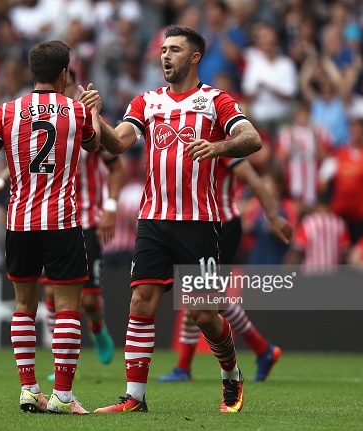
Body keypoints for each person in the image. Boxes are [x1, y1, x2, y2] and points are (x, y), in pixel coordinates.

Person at [79, 26, 263, 413]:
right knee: (141, 300)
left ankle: (231, 374)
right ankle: (134, 398)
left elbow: (252, 138)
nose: (165, 56)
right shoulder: (147, 101)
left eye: (175, 50)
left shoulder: (216, 100)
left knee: (203, 314)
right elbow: (118, 143)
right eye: (163, 49)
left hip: (199, 222)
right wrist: (95, 117)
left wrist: (218, 146)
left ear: (194, 58)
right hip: (153, 220)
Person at [0, 40, 100, 415]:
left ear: (32, 72)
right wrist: (94, 112)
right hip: (62, 220)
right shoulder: (76, 111)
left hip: (20, 221)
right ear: (63, 74)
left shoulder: (6, 111)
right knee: (68, 308)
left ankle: (29, 390)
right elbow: (96, 146)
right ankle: (62, 396)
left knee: (23, 306)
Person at [0, 69, 125, 370]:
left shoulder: (84, 118)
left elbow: (116, 165)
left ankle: (97, 328)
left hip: (84, 219)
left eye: (70, 86)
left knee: (87, 301)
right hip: (46, 219)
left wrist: (110, 207)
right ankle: (58, 368)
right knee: (49, 293)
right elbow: (32, 159)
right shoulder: (43, 119)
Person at [158, 158, 292, 383]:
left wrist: (273, 216)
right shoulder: (193, 135)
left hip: (221, 226)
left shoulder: (222, 143)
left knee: (202, 297)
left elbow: (252, 178)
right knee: (200, 296)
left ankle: (185, 366)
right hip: (198, 225)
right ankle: (262, 349)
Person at [318, 118, 363, 243]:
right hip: (340, 211)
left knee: (361, 243)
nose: (356, 133)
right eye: (354, 130)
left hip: (362, 214)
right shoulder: (339, 153)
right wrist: (325, 202)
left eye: (359, 130)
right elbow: (323, 177)